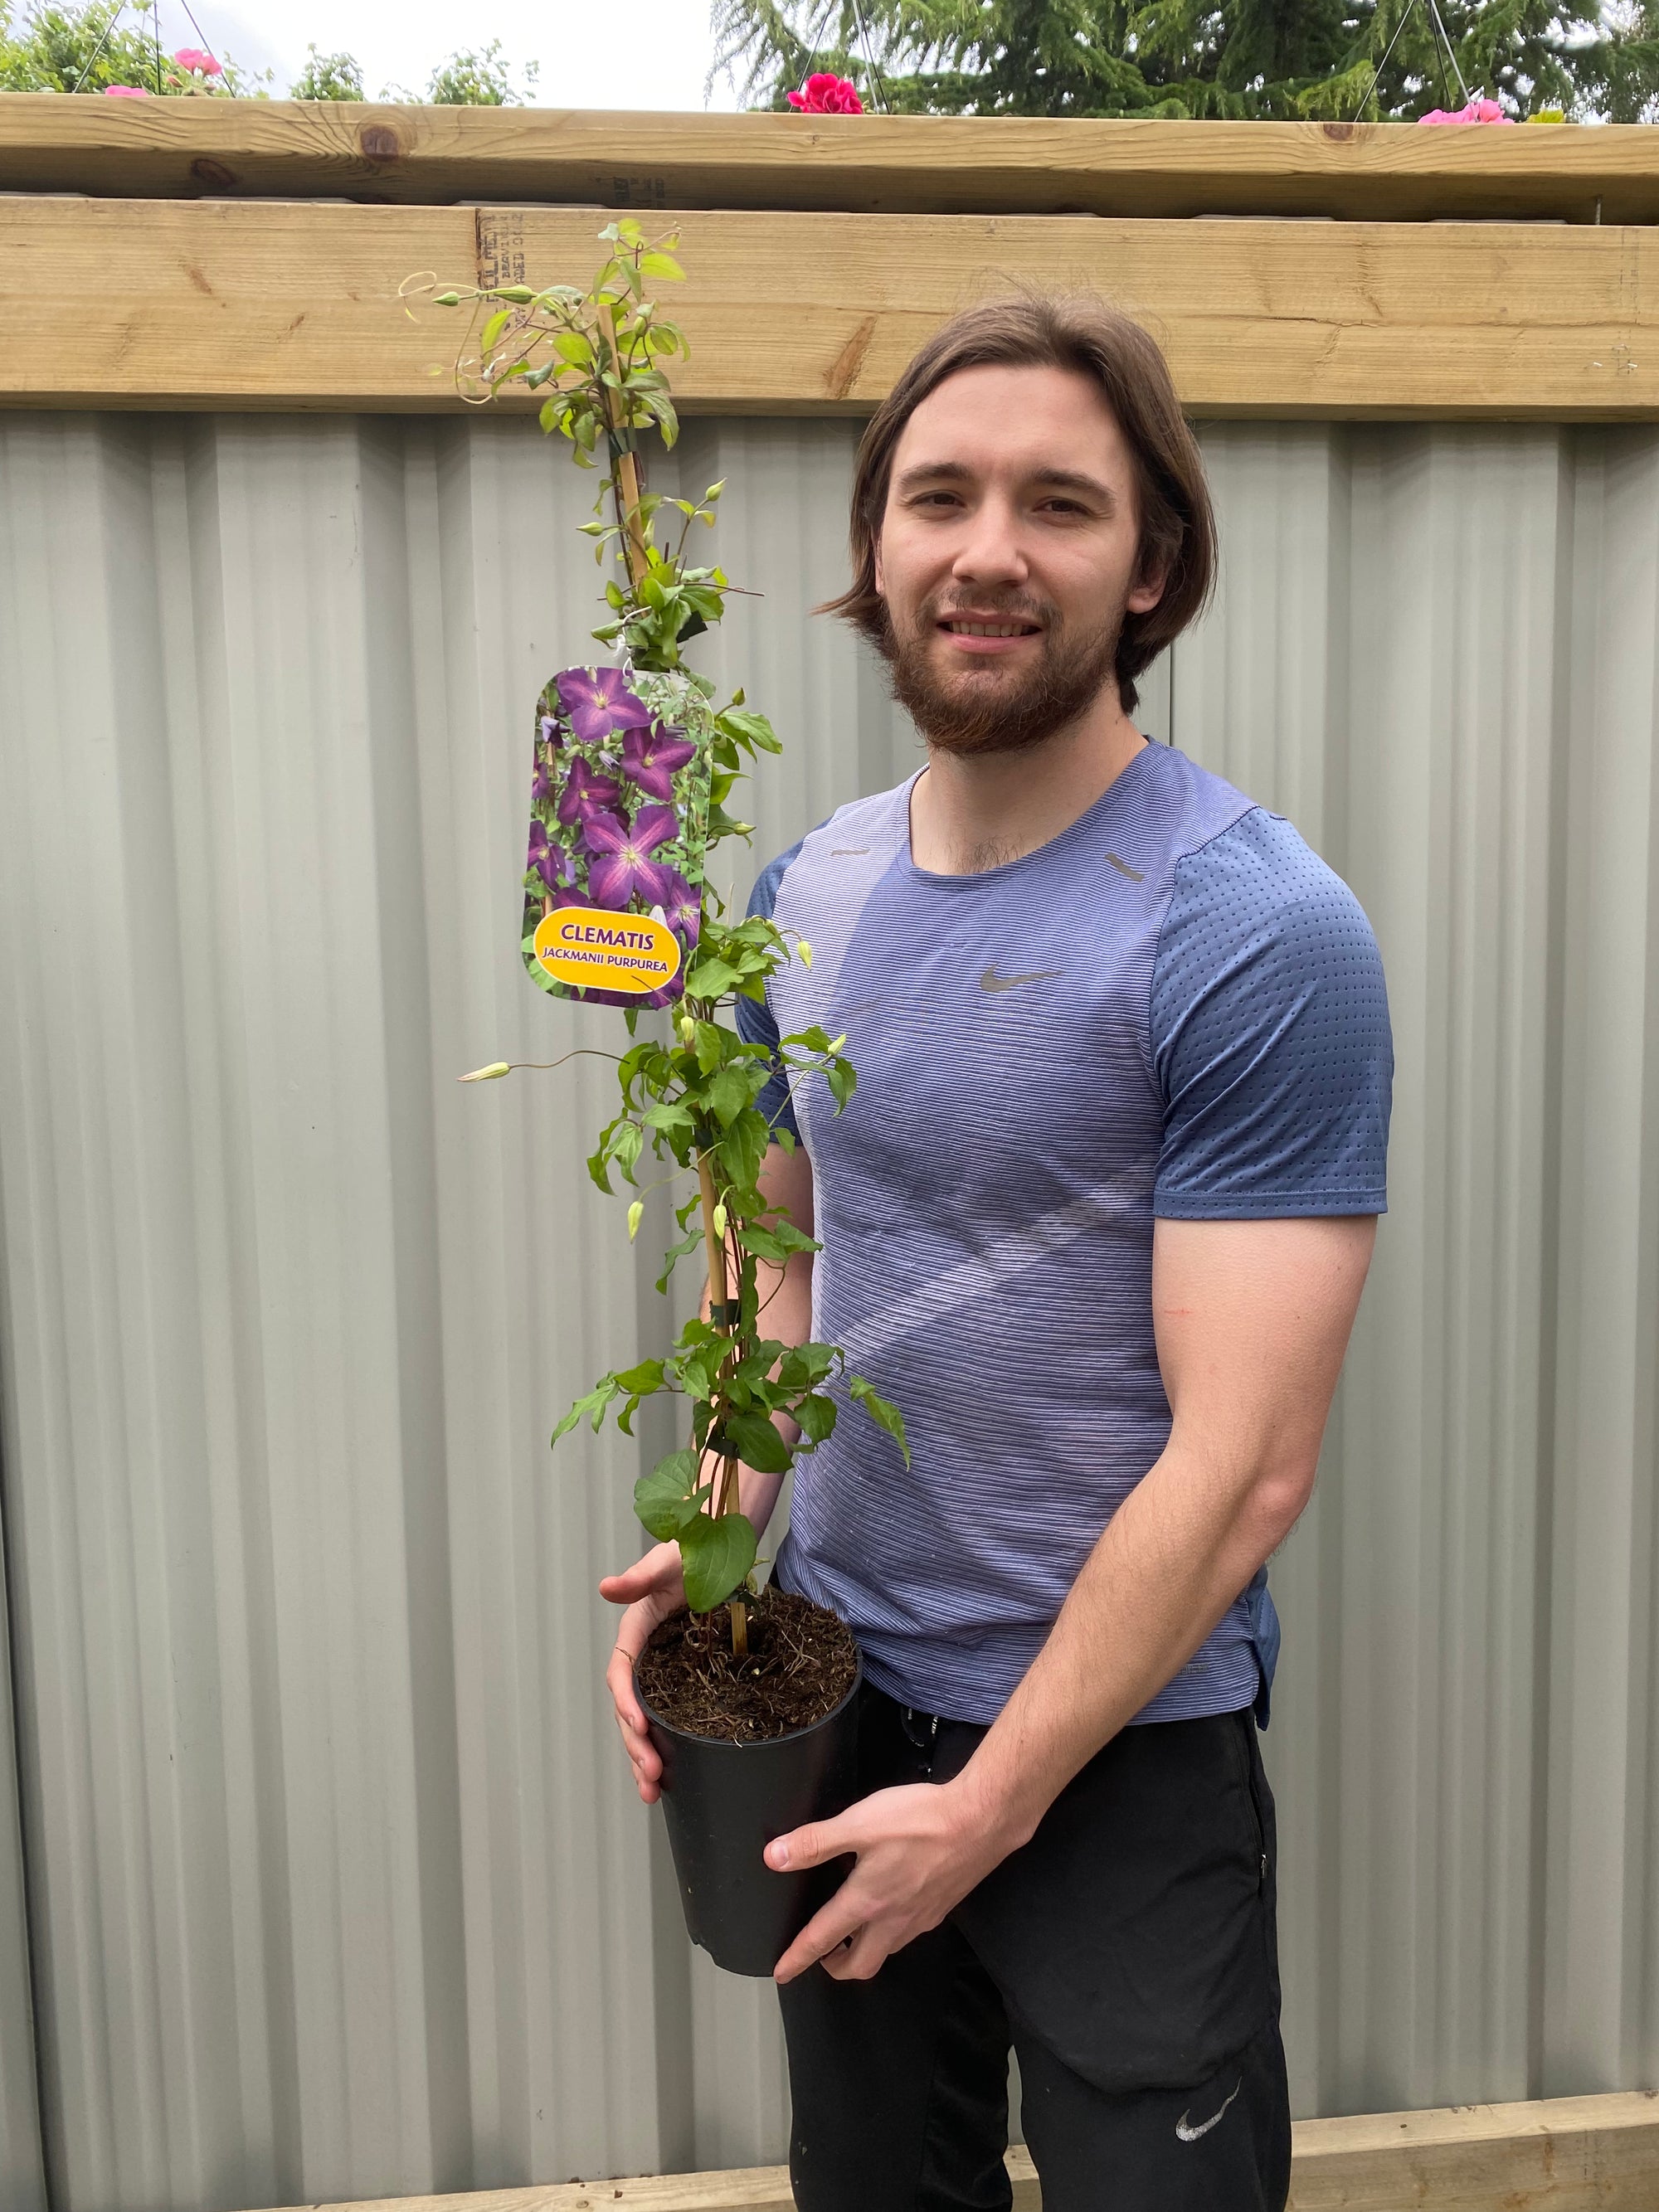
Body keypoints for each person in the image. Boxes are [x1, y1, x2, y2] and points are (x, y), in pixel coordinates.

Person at [600, 294, 1393, 2212]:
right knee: (877, 2181)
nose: (986, 550)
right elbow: (773, 1274)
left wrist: (993, 1798)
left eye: (1058, 503)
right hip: (839, 1684)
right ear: (875, 548)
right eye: (937, 496)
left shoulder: (1252, 926)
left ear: (1153, 565)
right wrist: (712, 1548)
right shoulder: (805, 893)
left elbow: (1244, 1461)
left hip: (1124, 1743)